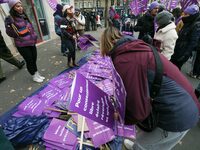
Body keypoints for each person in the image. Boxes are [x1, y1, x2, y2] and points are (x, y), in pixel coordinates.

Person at [100, 26, 200, 150]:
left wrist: (120, 117)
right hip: (184, 101)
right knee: (145, 142)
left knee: (145, 146)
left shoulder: (124, 60)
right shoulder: (133, 48)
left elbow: (138, 110)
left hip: (178, 115)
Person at [4, 0, 45, 83]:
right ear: (13, 8)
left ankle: (37, 73)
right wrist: (8, 25)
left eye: (21, 6)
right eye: (17, 6)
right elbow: (10, 33)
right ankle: (34, 76)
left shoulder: (24, 16)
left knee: (34, 59)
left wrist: (35, 36)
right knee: (29, 60)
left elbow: (31, 28)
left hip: (31, 42)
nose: (20, 8)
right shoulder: (10, 19)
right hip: (22, 44)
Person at [171, 4, 200, 70]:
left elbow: (193, 42)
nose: (183, 16)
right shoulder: (188, 21)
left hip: (182, 52)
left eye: (186, 14)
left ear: (192, 15)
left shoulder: (196, 25)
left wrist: (185, 55)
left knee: (175, 69)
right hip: (178, 49)